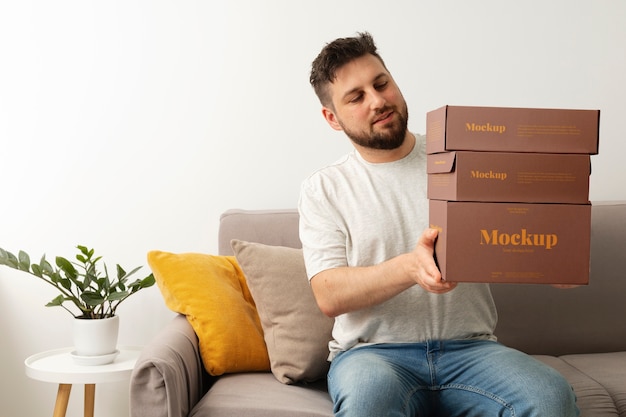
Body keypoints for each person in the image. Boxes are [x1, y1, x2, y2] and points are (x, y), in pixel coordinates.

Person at [298, 32, 579, 417]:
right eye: (356, 96)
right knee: (367, 403)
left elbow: (521, 235)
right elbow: (329, 294)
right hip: (372, 356)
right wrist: (410, 267)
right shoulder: (324, 189)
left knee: (550, 397)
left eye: (381, 84)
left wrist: (559, 260)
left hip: (472, 350)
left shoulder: (464, 160)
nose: (378, 101)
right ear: (332, 117)